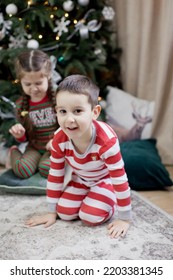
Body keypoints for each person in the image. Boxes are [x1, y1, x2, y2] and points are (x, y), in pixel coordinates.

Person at [26, 74, 132, 238]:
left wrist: (124, 218)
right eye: (63, 111)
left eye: (77, 111)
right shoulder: (59, 139)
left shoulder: (106, 142)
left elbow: (119, 179)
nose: (69, 119)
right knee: (65, 212)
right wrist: (51, 211)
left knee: (89, 216)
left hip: (105, 180)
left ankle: (112, 203)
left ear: (94, 112)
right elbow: (56, 175)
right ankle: (88, 197)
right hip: (80, 180)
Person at [7, 49, 59, 178]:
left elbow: (71, 125)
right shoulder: (21, 105)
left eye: (38, 83)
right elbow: (25, 138)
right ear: (20, 81)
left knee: (47, 169)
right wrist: (20, 135)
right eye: (28, 84)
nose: (34, 89)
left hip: (56, 146)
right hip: (34, 148)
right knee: (23, 170)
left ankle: (43, 163)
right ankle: (13, 152)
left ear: (49, 76)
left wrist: (58, 141)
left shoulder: (60, 98)